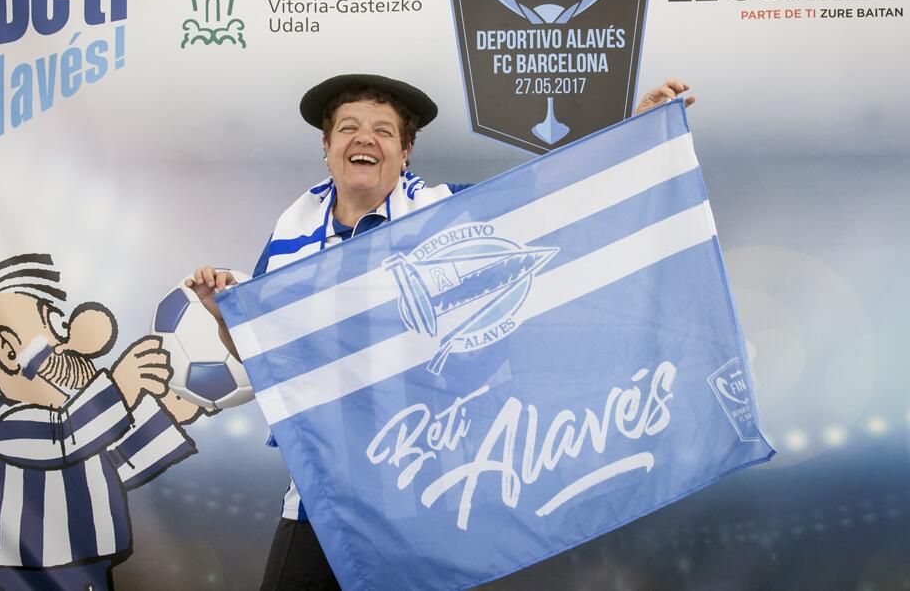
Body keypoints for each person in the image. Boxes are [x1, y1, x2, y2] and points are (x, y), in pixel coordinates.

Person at [186, 74, 695, 590]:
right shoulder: (291, 229)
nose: (364, 138)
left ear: (405, 153)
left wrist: (636, 135)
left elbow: (550, 202)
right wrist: (226, 319)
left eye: (383, 131)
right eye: (348, 127)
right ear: (327, 146)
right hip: (322, 499)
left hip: (422, 500)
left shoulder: (444, 212)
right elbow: (264, 360)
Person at [0, 253, 205, 590]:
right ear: (9, 352)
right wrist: (121, 386)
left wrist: (170, 412)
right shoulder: (5, 425)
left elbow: (117, 462)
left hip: (84, 567)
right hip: (17, 569)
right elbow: (64, 437)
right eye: (54, 326)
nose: (77, 341)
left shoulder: (82, 427)